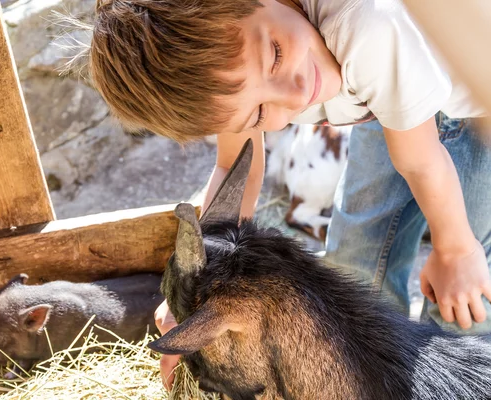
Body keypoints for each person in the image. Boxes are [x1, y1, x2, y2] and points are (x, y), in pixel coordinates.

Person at [88, 0, 491, 389]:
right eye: (261, 114)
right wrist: (196, 289)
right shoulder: (234, 69)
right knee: (355, 260)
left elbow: (421, 162)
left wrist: (455, 249)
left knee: (462, 295)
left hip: (471, 100)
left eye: (276, 54)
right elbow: (235, 168)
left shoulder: (364, 24)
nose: (296, 96)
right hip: (379, 95)